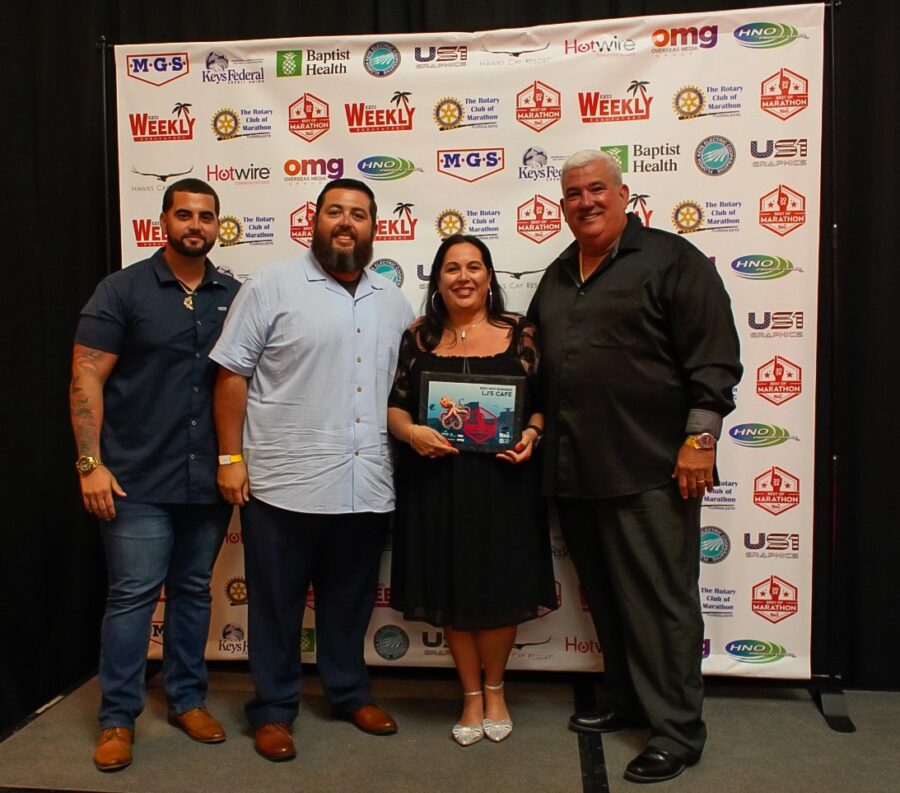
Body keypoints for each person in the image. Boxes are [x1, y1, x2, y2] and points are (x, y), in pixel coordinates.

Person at [527, 150, 742, 783]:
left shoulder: (672, 260)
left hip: (652, 468)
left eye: (597, 189)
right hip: (576, 470)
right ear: (561, 206)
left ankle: (676, 730)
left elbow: (714, 357)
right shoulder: (559, 274)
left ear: (624, 195)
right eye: (573, 194)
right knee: (611, 602)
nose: (585, 201)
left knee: (660, 602)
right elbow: (535, 357)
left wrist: (699, 440)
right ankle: (627, 702)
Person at [210, 178, 414, 762]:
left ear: (376, 227)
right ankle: (273, 710)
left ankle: (348, 692)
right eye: (334, 212)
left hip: (367, 485)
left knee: (349, 602)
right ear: (315, 220)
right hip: (281, 485)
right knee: (275, 605)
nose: (346, 223)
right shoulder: (272, 285)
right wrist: (231, 458)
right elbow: (232, 374)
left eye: (359, 214)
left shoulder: (394, 302)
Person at [69, 179, 240, 771]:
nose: (196, 225)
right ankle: (117, 717)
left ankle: (187, 699)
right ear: (163, 220)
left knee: (193, 591)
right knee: (133, 597)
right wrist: (90, 464)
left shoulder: (234, 295)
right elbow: (86, 376)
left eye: (207, 217)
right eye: (185, 214)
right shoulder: (123, 290)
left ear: (219, 225)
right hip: (134, 479)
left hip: (206, 482)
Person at [387, 234, 558, 747]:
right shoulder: (418, 336)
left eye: (475, 267)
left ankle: (497, 689)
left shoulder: (522, 333)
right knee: (451, 590)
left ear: (489, 277)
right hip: (434, 483)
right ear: (437, 280)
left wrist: (531, 435)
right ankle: (469, 696)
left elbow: (544, 405)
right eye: (452, 268)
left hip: (505, 482)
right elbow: (395, 405)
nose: (464, 276)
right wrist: (412, 432)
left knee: (500, 591)